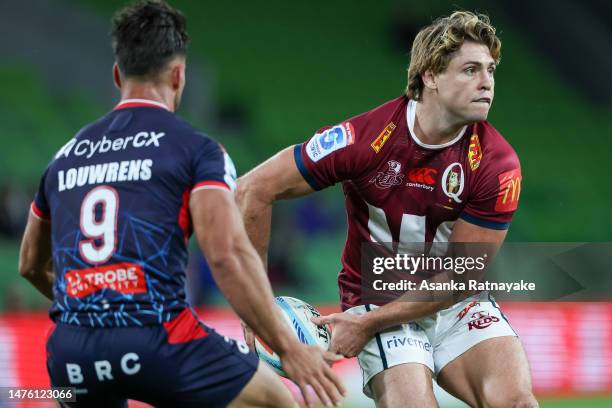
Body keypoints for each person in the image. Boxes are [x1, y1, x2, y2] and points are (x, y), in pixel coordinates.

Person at [18, 1, 344, 407]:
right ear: (178, 75)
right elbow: (225, 255)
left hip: (72, 351)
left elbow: (29, 265)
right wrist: (289, 349)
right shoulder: (196, 150)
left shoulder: (64, 158)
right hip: (159, 338)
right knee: (277, 403)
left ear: (118, 74)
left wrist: (90, 309)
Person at [237, 11, 538, 408]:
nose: (487, 83)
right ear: (430, 75)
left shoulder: (498, 165)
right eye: (470, 70)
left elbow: (461, 278)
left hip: (452, 300)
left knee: (518, 403)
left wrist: (364, 326)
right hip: (378, 295)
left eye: (490, 70)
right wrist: (254, 305)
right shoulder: (364, 139)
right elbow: (252, 189)